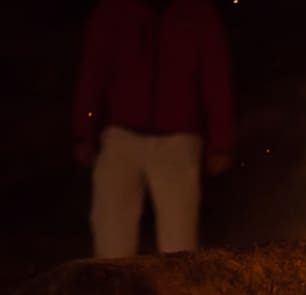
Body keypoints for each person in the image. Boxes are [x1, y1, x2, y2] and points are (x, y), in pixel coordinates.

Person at [73, 0, 234, 258]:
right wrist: (84, 133)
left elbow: (215, 77)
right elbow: (93, 70)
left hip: (178, 140)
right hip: (120, 137)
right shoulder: (113, 10)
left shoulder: (196, 12)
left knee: (179, 246)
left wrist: (220, 142)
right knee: (111, 239)